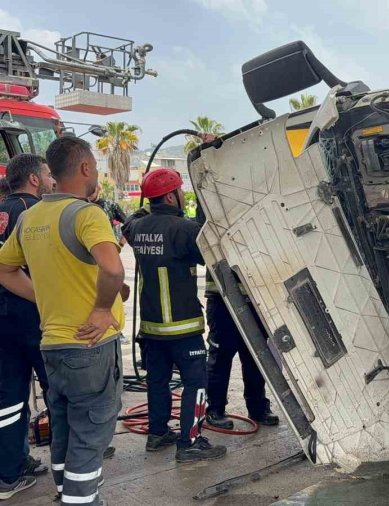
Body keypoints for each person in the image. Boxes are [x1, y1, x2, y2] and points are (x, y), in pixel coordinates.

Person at [0, 137, 125, 505]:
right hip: (90, 347)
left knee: (65, 431)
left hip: (53, 345)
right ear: (86, 168)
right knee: (90, 437)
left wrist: (46, 296)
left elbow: (5, 270)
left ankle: (65, 493)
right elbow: (113, 268)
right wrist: (102, 309)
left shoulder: (30, 216)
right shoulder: (86, 214)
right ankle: (81, 500)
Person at [122, 168, 226, 463]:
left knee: (158, 380)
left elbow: (129, 223)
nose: (183, 196)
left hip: (152, 329)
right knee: (196, 382)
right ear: (171, 195)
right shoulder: (184, 230)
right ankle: (190, 441)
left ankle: (157, 434)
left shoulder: (137, 228)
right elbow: (212, 251)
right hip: (182, 327)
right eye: (181, 191)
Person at [0, 154, 55, 499]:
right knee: (59, 392)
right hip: (33, 317)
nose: (51, 181)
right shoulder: (36, 214)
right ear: (34, 179)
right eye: (48, 175)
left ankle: (11, 468)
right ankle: (72, 470)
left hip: (2, 321)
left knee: (8, 398)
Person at [204, 272, 279, 430]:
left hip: (255, 301)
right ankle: (215, 410)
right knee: (220, 360)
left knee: (255, 358)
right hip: (222, 300)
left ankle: (258, 408)